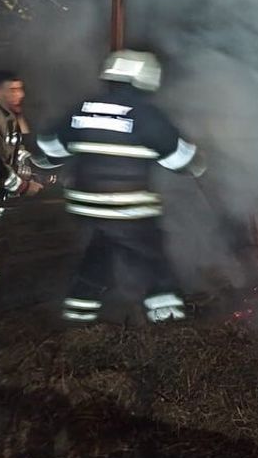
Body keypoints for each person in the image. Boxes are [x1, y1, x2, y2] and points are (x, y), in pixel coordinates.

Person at [34, 49, 206, 325]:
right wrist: (197, 165)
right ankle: (168, 318)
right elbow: (179, 159)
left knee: (101, 249)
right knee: (152, 257)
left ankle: (79, 312)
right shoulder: (146, 115)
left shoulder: (85, 107)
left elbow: (50, 148)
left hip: (84, 204)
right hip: (127, 206)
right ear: (146, 79)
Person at [0, 70, 44, 204]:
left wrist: (33, 168)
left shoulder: (6, 116)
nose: (21, 95)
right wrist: (23, 187)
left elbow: (14, 151)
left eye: (20, 89)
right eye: (13, 90)